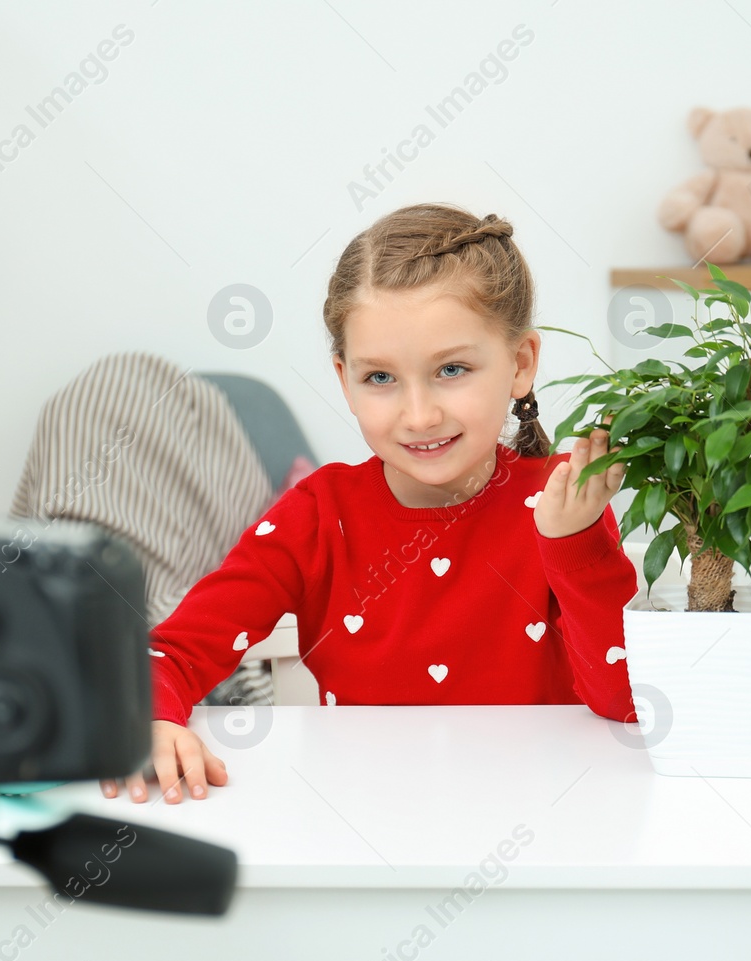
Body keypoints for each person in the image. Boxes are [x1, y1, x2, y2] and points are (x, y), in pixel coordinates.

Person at [101, 203, 638, 805]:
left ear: (520, 365)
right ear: (343, 378)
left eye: (452, 369)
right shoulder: (318, 513)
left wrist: (574, 544)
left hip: (544, 816)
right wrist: (153, 720)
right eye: (380, 378)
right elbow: (170, 653)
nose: (418, 415)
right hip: (363, 818)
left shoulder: (563, 502)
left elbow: (622, 700)